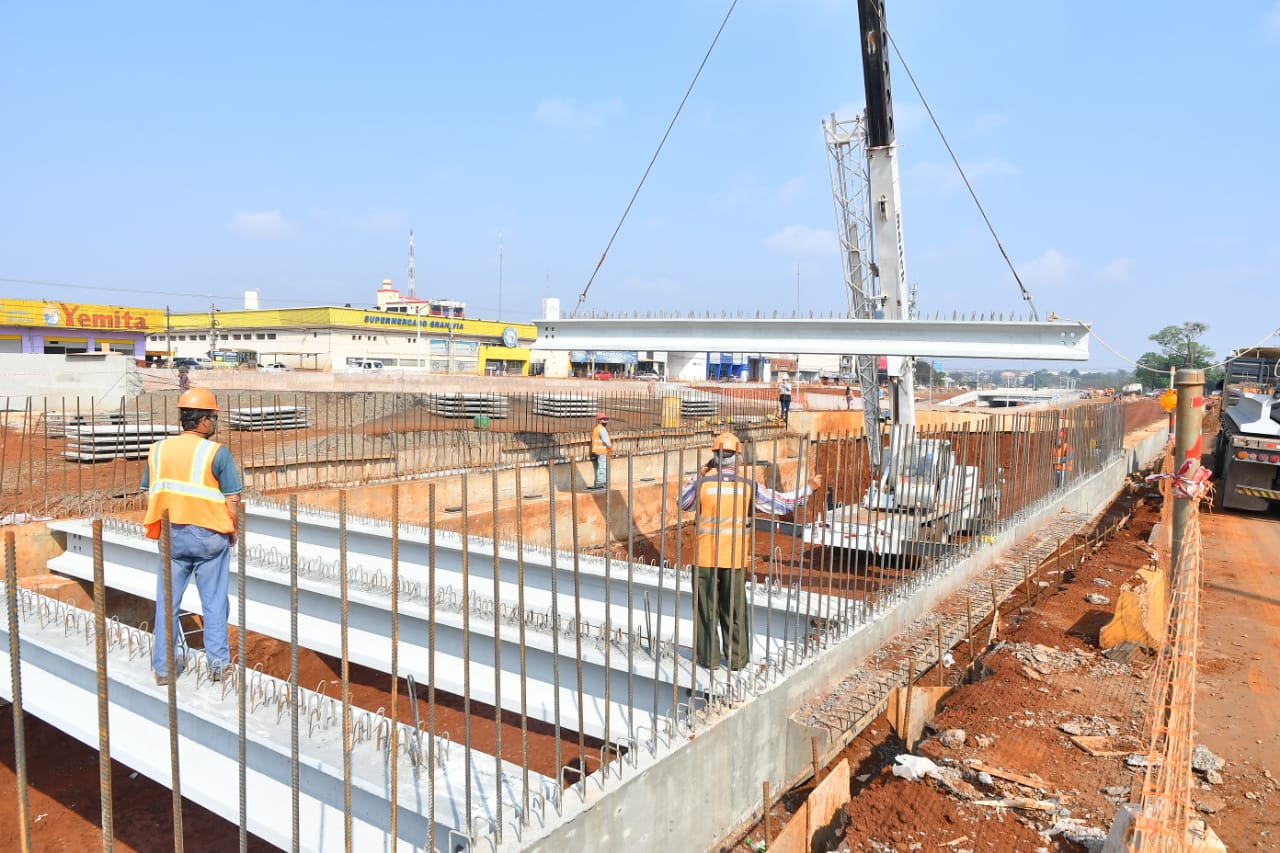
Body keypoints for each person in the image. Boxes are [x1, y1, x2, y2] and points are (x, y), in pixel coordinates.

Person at [678, 432, 822, 671]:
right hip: (733, 559)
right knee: (734, 611)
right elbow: (783, 505)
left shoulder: (701, 484)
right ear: (738, 458)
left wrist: (699, 474)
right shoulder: (748, 487)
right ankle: (737, 660)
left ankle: (708, 660)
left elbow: (683, 503)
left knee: (705, 612)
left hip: (704, 559)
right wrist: (808, 488)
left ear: (713, 457)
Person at [143, 388, 242, 686]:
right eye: (213, 418)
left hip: (171, 534)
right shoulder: (216, 452)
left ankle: (163, 668)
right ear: (202, 421)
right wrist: (232, 528)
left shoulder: (158, 449)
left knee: (166, 602)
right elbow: (232, 497)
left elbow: (150, 490)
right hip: (210, 536)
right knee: (213, 603)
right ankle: (219, 666)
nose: (215, 423)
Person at [589, 412, 612, 490]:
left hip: (597, 450)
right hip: (602, 451)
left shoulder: (596, 429)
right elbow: (606, 441)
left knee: (601, 466)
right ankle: (600, 483)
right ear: (599, 420)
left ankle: (601, 482)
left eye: (606, 419)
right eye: (604, 419)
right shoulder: (602, 429)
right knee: (602, 467)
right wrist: (610, 446)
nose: (606, 421)